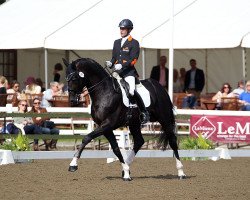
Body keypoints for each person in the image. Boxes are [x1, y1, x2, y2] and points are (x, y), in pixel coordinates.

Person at [105, 19, 149, 124]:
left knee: (131, 91)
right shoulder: (116, 42)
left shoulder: (134, 43)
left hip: (129, 73)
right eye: (121, 28)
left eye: (123, 29)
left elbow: (133, 60)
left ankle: (144, 112)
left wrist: (122, 65)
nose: (121, 30)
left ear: (129, 30)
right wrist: (111, 63)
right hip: (117, 73)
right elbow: (114, 57)